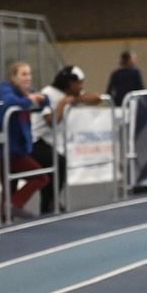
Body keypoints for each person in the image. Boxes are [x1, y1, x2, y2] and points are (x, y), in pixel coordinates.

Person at [34, 65, 102, 215]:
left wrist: (77, 98)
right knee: (58, 163)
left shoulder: (71, 93)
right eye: (79, 83)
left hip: (50, 143)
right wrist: (63, 103)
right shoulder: (47, 94)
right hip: (36, 141)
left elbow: (97, 98)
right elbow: (52, 122)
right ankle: (51, 203)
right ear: (69, 83)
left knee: (55, 169)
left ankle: (49, 205)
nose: (81, 86)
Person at [0, 61, 51, 220]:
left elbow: (44, 100)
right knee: (40, 177)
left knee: (9, 190)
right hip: (7, 150)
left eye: (29, 74)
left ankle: (7, 215)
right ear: (13, 77)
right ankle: (13, 206)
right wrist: (29, 100)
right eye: (24, 74)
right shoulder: (5, 89)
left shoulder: (25, 92)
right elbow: (9, 102)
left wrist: (38, 99)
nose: (28, 78)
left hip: (19, 148)